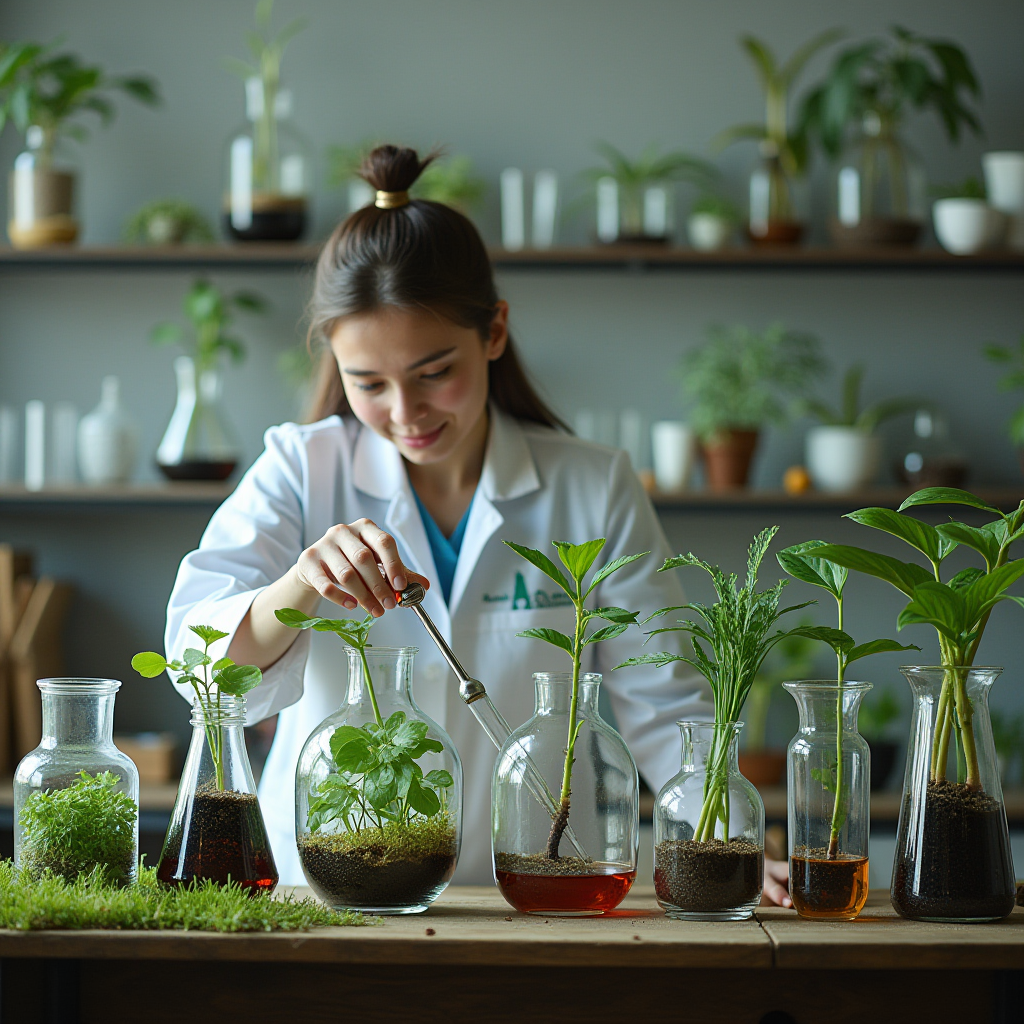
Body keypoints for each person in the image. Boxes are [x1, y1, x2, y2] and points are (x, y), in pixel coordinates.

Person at [164, 144, 791, 906]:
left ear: (493, 332)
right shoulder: (301, 468)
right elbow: (196, 664)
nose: (406, 413)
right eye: (369, 383)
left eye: (435, 373)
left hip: (537, 894)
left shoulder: (592, 485)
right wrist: (299, 586)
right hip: (331, 900)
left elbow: (664, 706)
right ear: (333, 358)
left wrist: (727, 837)